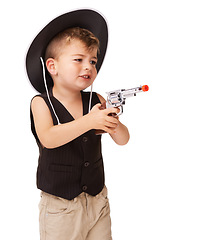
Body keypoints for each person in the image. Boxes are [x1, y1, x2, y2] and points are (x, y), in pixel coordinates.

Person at [26, 9, 129, 240]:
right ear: (52, 67)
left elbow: (123, 139)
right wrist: (89, 121)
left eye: (93, 61)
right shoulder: (41, 103)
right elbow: (49, 138)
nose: (89, 67)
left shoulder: (96, 100)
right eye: (78, 60)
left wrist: (114, 124)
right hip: (61, 207)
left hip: (97, 200)